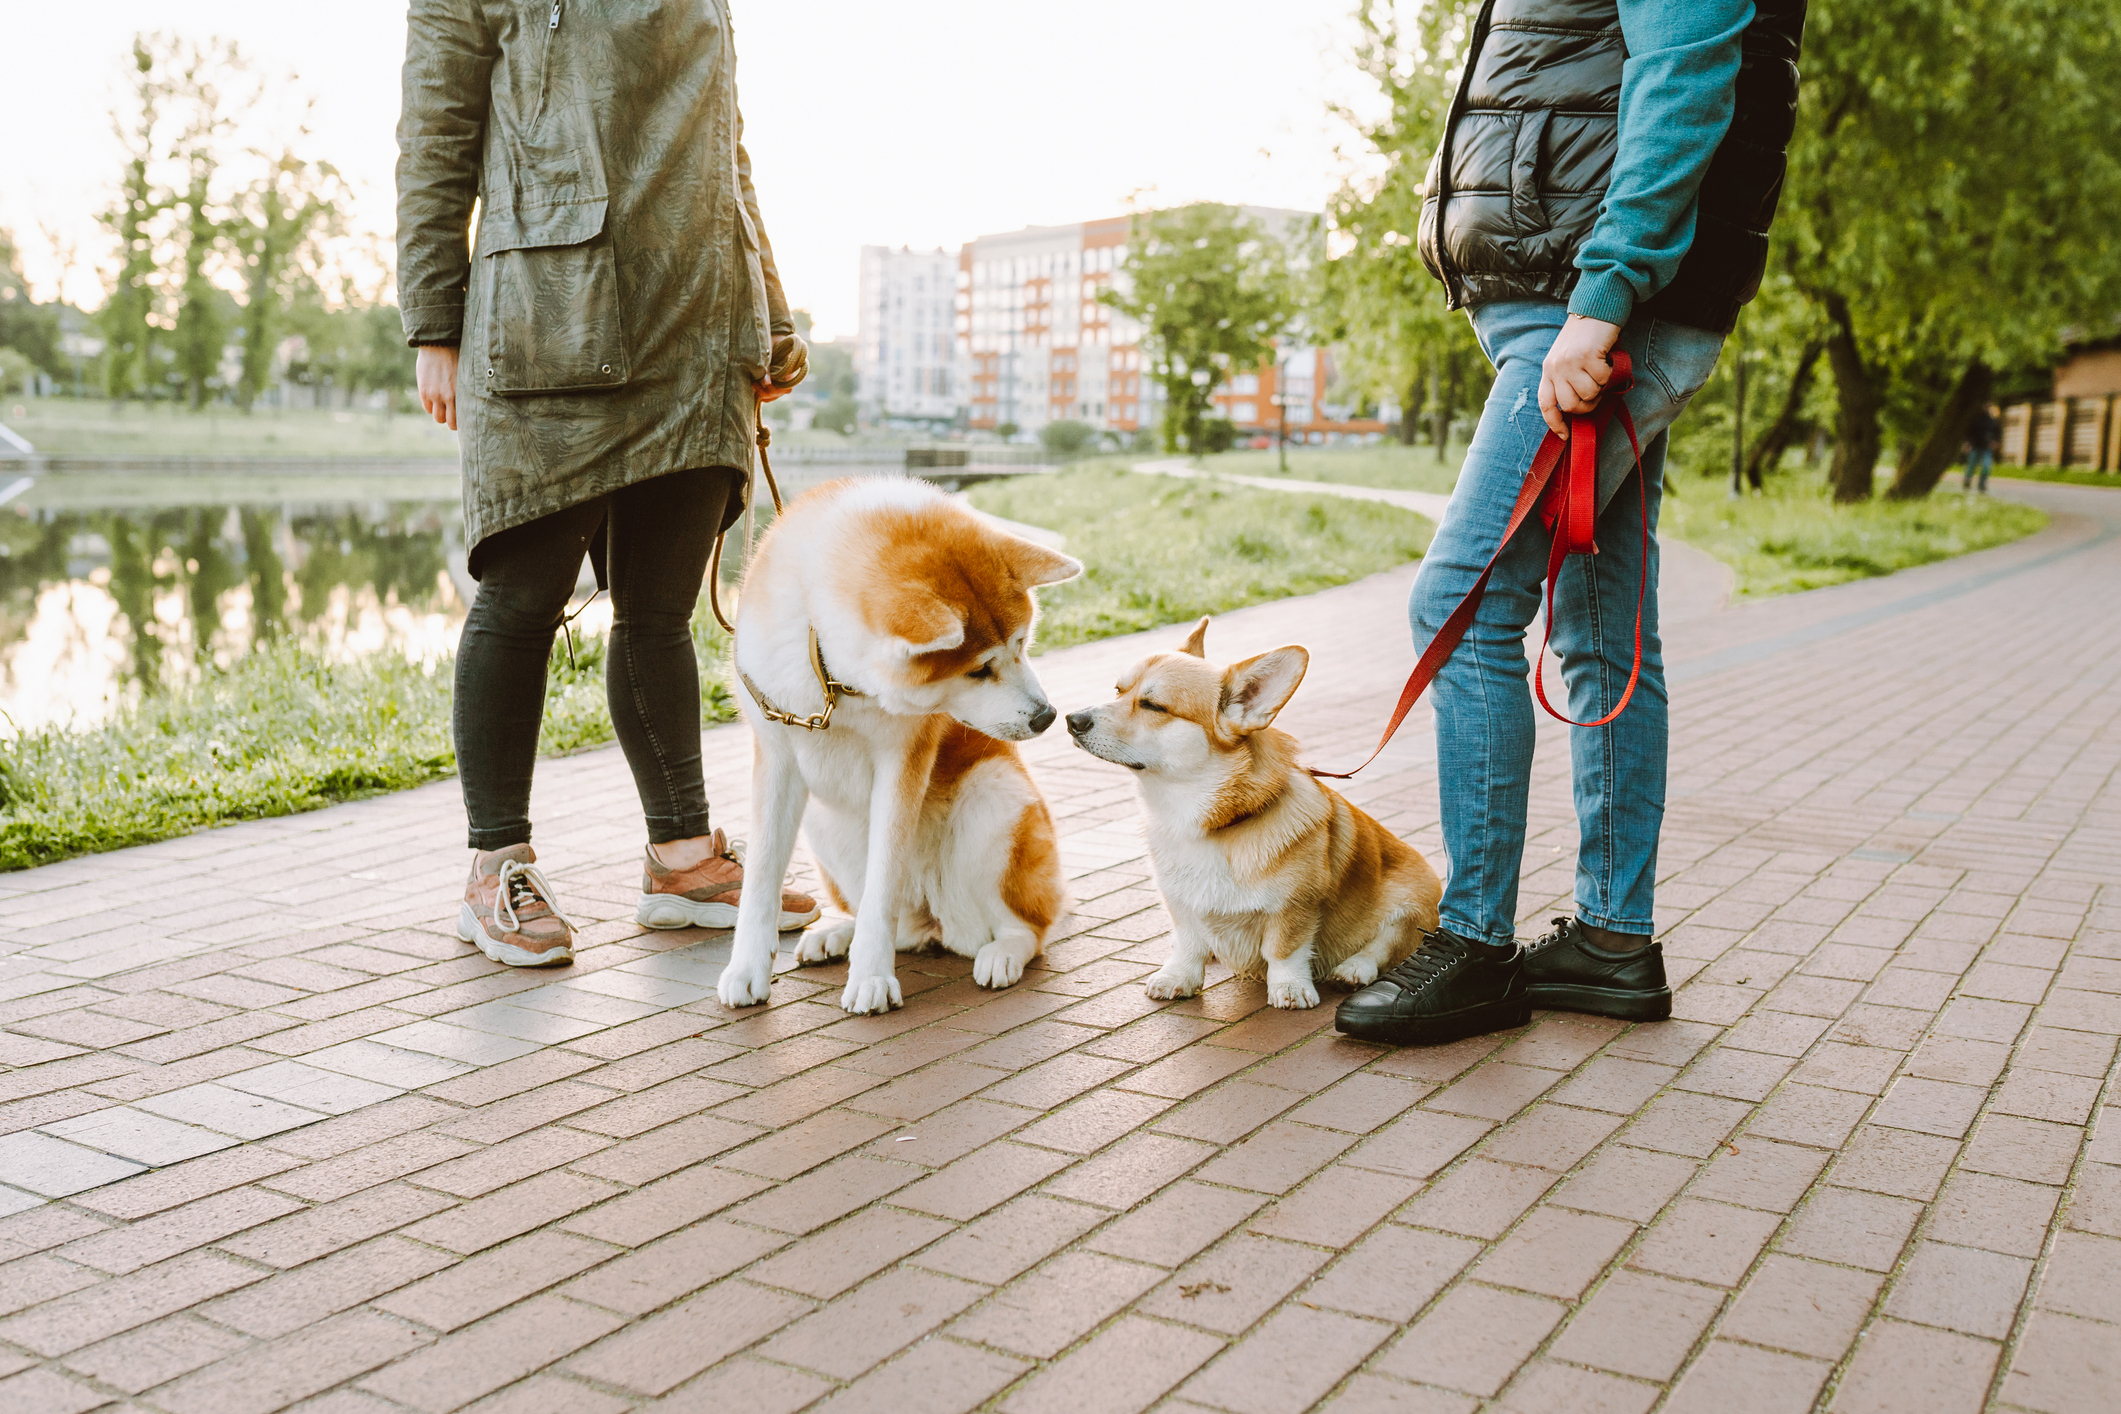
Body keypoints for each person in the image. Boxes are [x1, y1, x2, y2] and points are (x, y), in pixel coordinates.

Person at [1336, 0, 1808, 1044]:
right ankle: (1611, 939)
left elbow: (1683, 76)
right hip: (1571, 296)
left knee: (1461, 603)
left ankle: (1475, 945)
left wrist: (1604, 297)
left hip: (1587, 306)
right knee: (1603, 631)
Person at [397, 0, 818, 967]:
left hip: (697, 316)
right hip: (552, 312)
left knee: (659, 613)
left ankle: (679, 859)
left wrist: (771, 315)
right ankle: (493, 864)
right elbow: (436, 136)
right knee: (520, 597)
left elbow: (728, 156)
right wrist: (434, 322)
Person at [1964, 403, 2003, 493]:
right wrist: (1968, 444)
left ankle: (1982, 484)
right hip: (1976, 446)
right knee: (1971, 466)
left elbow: (1997, 433)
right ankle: (1967, 480)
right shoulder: (1976, 419)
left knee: (1986, 466)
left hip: (1987, 447)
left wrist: (1995, 442)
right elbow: (1969, 432)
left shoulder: (1993, 421)